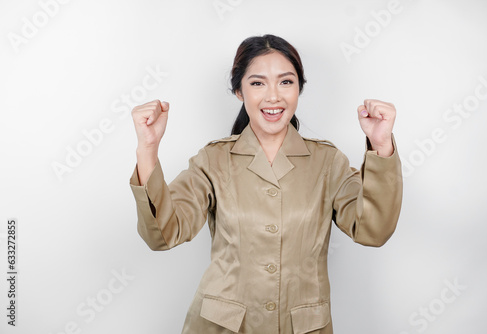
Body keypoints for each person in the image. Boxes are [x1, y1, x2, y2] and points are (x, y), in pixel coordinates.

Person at [129, 34, 403, 334]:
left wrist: (381, 145)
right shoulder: (213, 160)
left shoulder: (327, 162)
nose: (273, 96)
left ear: (299, 88)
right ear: (238, 91)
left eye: (286, 82)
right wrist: (148, 148)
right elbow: (163, 234)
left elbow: (373, 231)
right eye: (257, 83)